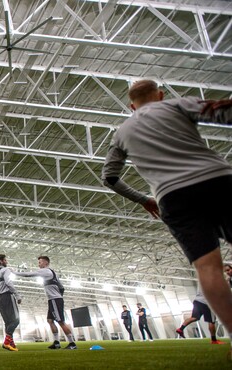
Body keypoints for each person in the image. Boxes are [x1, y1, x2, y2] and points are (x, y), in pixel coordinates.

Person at [102, 79, 232, 359]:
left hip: (172, 197)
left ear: (131, 106)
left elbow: (109, 177)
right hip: (217, 181)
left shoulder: (122, 131)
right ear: (160, 95)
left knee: (209, 268)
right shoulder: (177, 104)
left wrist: (144, 199)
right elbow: (221, 111)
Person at [13, 256, 77, 350]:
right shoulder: (53, 272)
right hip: (53, 299)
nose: (39, 264)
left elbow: (28, 274)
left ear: (46, 263)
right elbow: (62, 287)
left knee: (60, 321)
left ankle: (72, 343)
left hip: (55, 300)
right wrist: (58, 295)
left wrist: (14, 272)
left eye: (40, 262)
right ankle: (56, 343)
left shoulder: (46, 271)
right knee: (50, 321)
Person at [0, 254, 21, 351]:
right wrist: (17, 295)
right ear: (1, 261)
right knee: (16, 320)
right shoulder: (6, 270)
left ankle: (11, 344)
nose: (6, 261)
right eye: (5, 260)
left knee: (8, 322)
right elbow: (8, 282)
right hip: (7, 296)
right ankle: (6, 342)